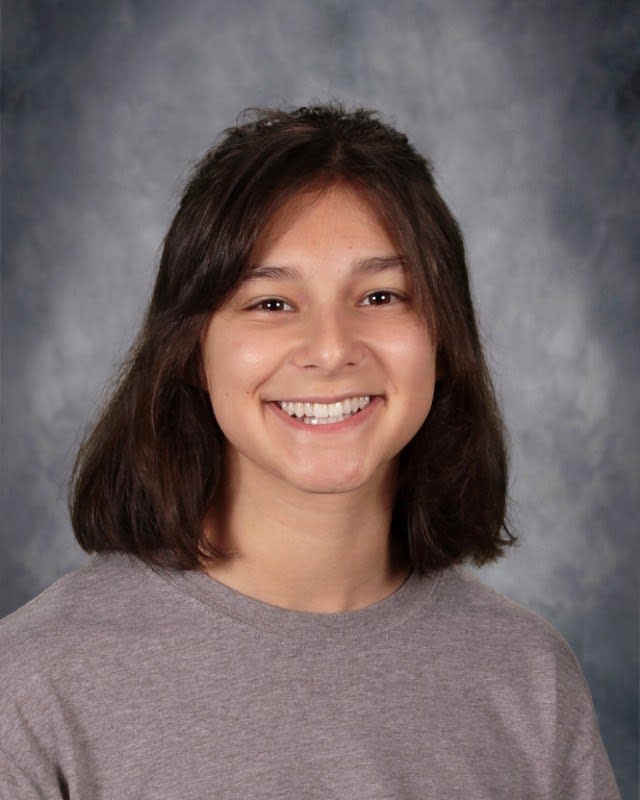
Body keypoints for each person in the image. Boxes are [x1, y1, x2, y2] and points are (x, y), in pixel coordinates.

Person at [0, 104, 620, 798]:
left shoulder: (530, 678)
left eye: (381, 296)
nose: (330, 349)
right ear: (192, 351)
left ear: (444, 341)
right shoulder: (32, 687)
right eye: (271, 303)